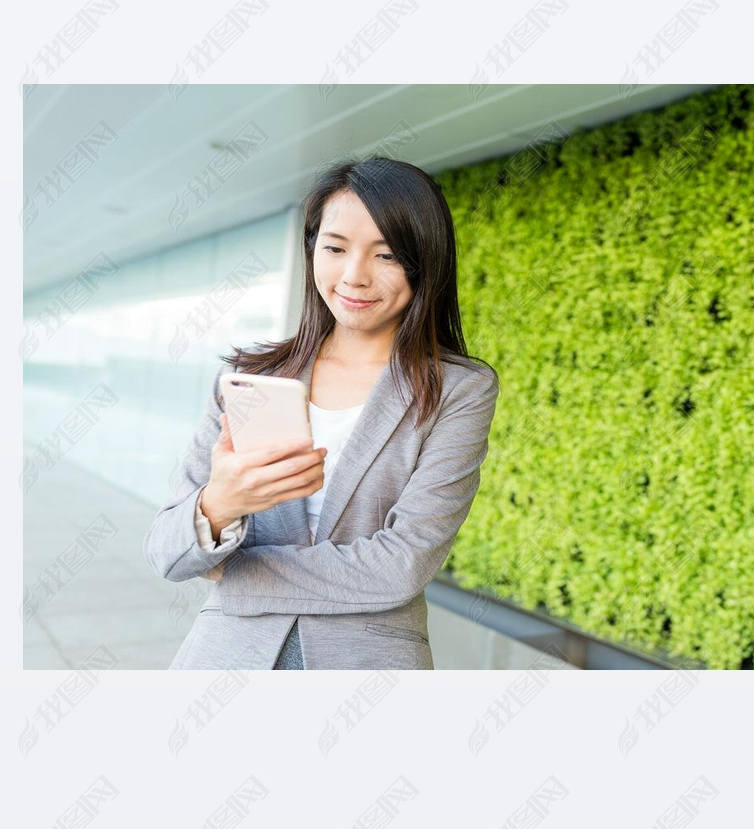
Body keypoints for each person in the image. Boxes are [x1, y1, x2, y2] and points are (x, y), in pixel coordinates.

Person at [143, 156, 499, 670]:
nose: (354, 276)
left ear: (426, 262)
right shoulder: (249, 377)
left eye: (388, 255)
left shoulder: (457, 390)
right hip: (225, 661)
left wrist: (234, 573)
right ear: (312, 249)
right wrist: (221, 503)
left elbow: (401, 565)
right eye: (335, 248)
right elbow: (166, 551)